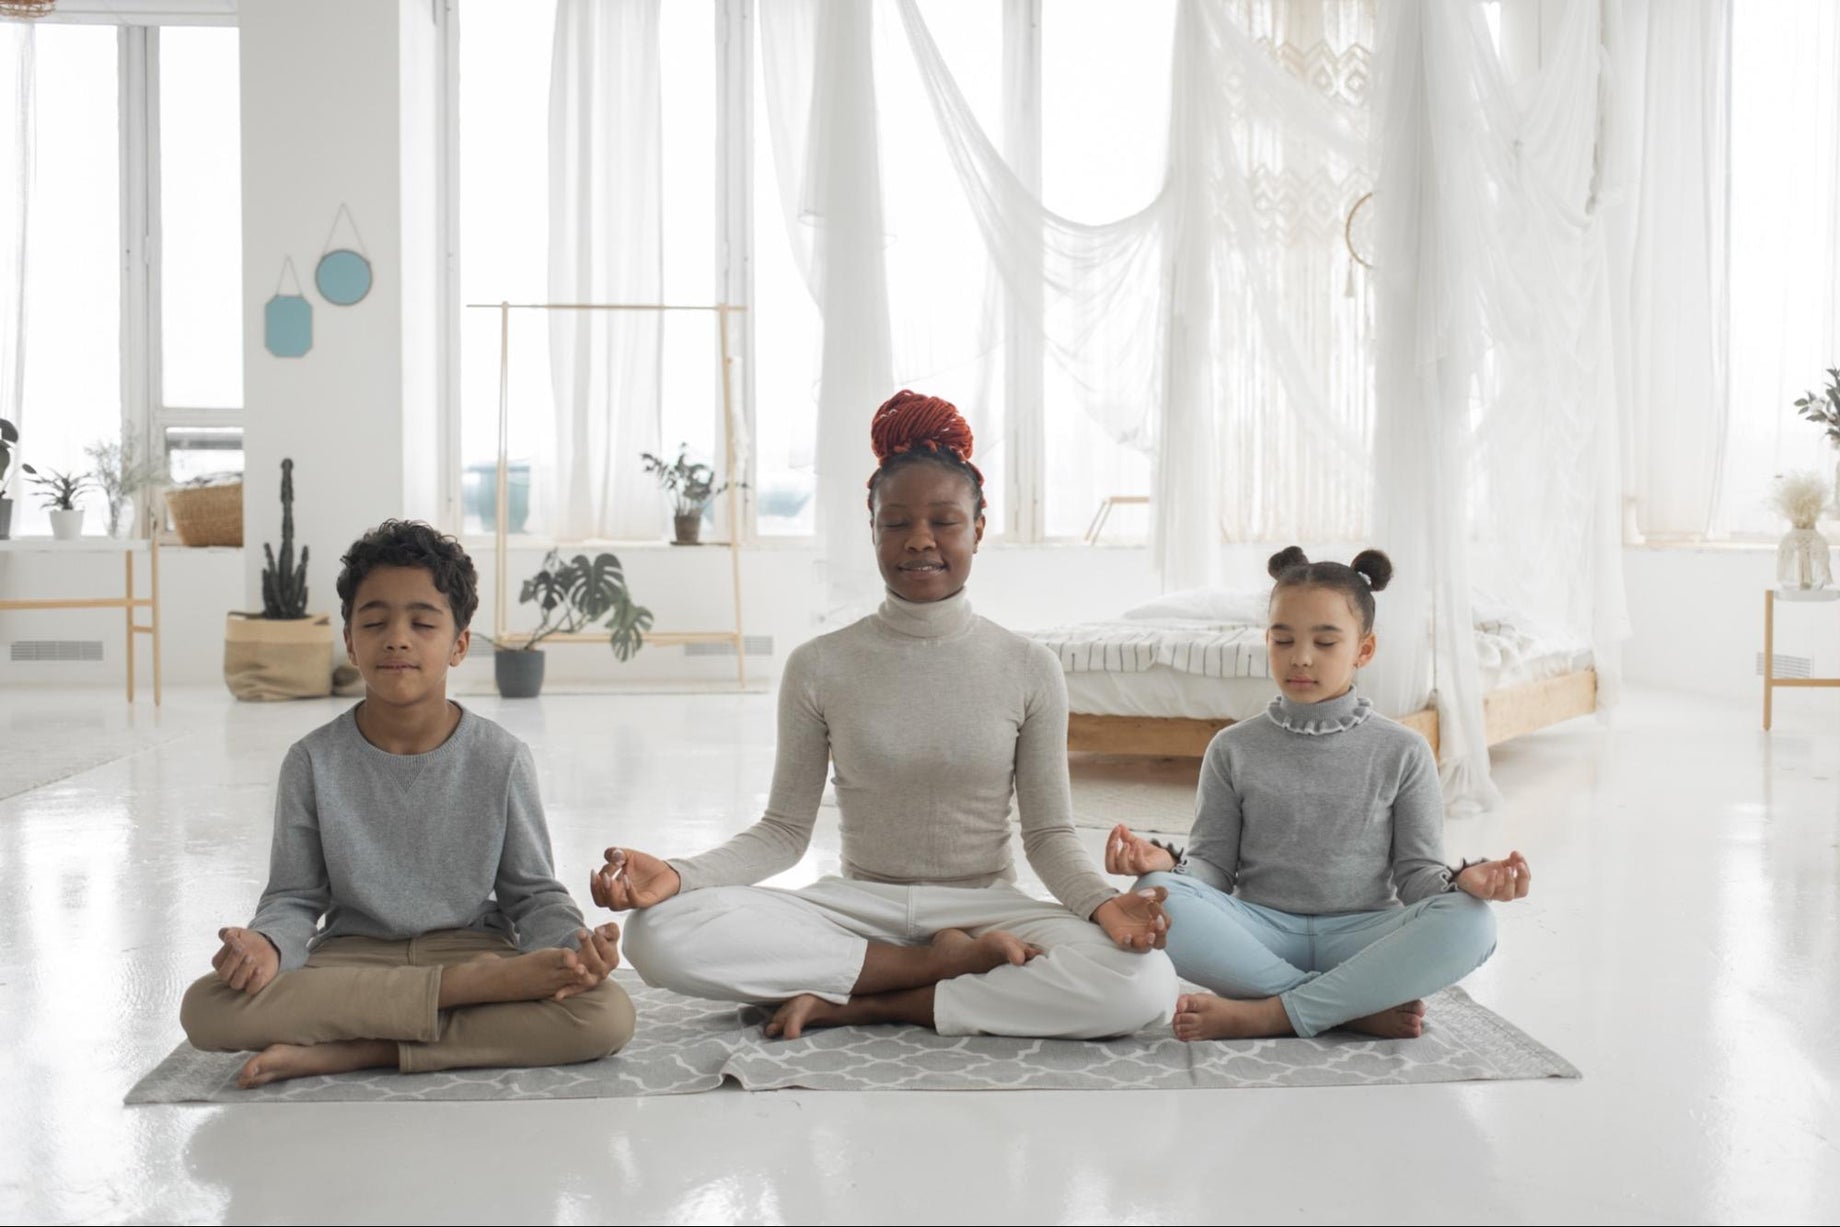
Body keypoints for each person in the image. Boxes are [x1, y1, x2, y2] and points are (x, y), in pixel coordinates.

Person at [594, 391, 1176, 1040]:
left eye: (944, 521)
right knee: (658, 932)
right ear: (870, 528)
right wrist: (680, 874)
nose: (919, 539)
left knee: (1145, 983)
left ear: (978, 528)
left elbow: (1046, 838)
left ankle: (872, 1000)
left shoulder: (1029, 666)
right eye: (896, 522)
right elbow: (784, 831)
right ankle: (929, 968)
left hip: (984, 906)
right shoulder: (820, 664)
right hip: (857, 908)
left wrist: (1103, 905)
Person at [179, 520, 633, 1087]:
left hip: (471, 951)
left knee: (604, 1015)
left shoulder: (502, 758)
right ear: (350, 641)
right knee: (205, 1007)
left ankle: (359, 1050)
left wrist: (573, 949)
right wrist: (266, 946)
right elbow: (294, 897)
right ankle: (454, 1001)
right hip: (358, 963)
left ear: (459, 644)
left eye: (422, 623)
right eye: (374, 622)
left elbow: (534, 895)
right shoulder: (312, 761)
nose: (397, 638)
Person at [1105, 546, 1531, 1041]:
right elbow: (1212, 874)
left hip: (1364, 937)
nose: (1300, 658)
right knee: (1155, 897)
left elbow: (1417, 879)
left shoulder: (1404, 751)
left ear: (1363, 650)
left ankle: (1271, 1014)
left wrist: (1467, 884)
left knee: (1473, 922)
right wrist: (1161, 863)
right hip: (1259, 934)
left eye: (1325, 643)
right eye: (1283, 640)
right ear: (1267, 641)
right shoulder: (1232, 748)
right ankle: (1346, 1008)